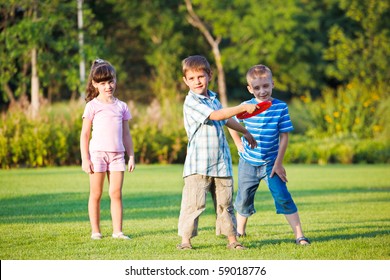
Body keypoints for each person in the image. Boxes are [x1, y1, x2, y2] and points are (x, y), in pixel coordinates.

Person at [177, 55, 259, 250]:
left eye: (201, 76)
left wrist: (244, 131)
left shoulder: (213, 99)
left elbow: (225, 119)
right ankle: (185, 241)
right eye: (192, 78)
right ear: (185, 81)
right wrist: (241, 107)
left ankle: (232, 240)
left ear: (209, 75)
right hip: (198, 165)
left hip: (221, 163)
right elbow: (215, 116)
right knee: (194, 205)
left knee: (225, 204)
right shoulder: (191, 102)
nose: (197, 81)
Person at [229, 64, 310, 245]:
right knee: (243, 198)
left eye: (266, 86)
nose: (262, 91)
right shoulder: (246, 106)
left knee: (282, 196)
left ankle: (300, 236)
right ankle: (240, 233)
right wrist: (237, 143)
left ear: (272, 84)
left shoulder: (280, 107)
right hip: (248, 163)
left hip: (271, 163)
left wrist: (278, 163)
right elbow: (231, 122)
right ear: (250, 89)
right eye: (257, 88)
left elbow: (284, 136)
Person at [80, 59, 135, 240]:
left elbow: (126, 134)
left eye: (110, 81)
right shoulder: (92, 106)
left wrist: (131, 156)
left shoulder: (122, 106)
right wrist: (85, 158)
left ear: (115, 80)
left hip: (118, 156)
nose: (108, 86)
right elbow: (85, 135)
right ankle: (96, 231)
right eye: (102, 83)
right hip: (97, 155)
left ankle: (117, 232)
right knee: (96, 194)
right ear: (95, 84)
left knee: (116, 193)